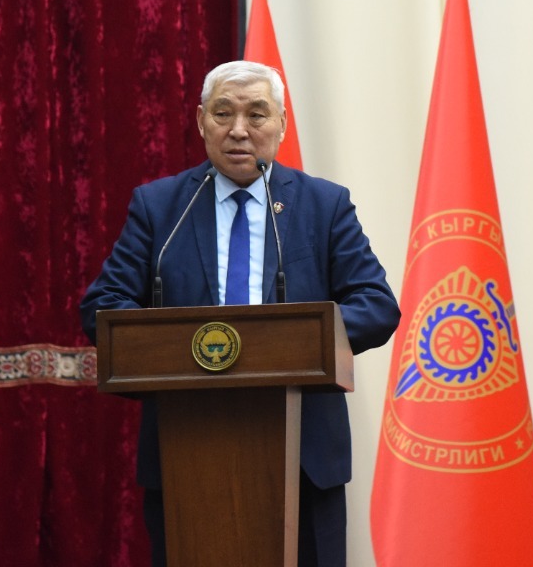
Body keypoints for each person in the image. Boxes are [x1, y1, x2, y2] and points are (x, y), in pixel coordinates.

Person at [80, 60, 400, 567]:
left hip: (304, 457)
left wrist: (298, 341)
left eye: (257, 114)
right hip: (185, 450)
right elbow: (103, 305)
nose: (239, 130)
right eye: (223, 113)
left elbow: (376, 304)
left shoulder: (323, 205)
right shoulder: (160, 207)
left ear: (282, 124)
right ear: (201, 120)